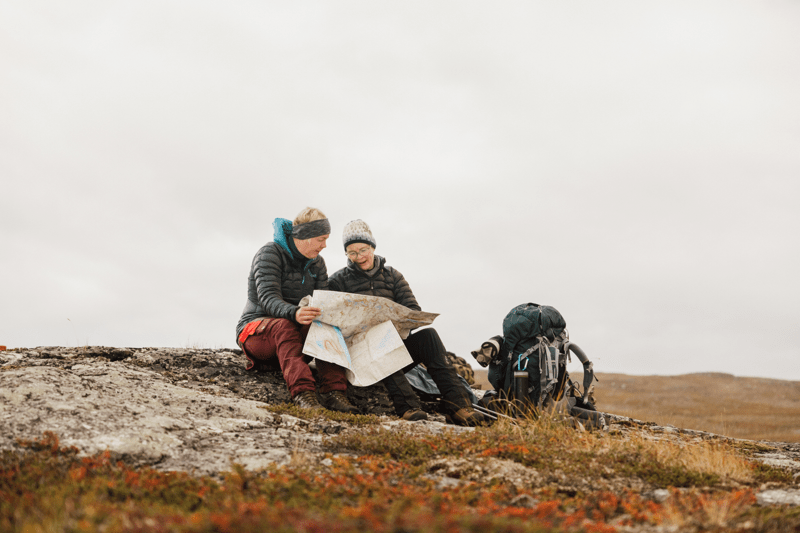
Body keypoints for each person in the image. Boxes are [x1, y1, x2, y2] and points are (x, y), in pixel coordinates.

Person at [328, 219, 484, 425]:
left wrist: (401, 321)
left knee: (429, 337)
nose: (359, 257)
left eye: (363, 250)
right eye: (352, 252)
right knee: (379, 338)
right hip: (362, 356)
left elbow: (413, 310)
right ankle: (408, 407)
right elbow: (331, 319)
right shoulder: (337, 281)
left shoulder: (393, 276)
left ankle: (458, 406)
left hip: (396, 346)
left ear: (373, 247)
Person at [235, 207, 358, 414]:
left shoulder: (318, 263)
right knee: (284, 325)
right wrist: (295, 313)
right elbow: (267, 298)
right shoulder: (269, 254)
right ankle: (303, 394)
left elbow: (322, 301)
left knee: (325, 325)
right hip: (257, 331)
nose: (324, 245)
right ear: (305, 236)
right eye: (321, 239)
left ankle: (334, 392)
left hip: (292, 339)